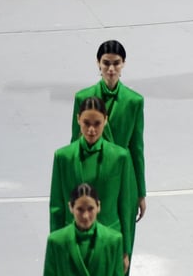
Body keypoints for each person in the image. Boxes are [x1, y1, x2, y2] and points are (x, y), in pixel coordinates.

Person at [51, 97, 138, 267]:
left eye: (97, 123)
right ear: (78, 120)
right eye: (86, 123)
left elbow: (125, 206)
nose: (91, 130)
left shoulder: (120, 157)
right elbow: (57, 207)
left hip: (110, 243)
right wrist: (57, 247)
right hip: (73, 243)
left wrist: (125, 249)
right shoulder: (63, 158)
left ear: (105, 120)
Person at [71, 39, 147, 221]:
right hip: (92, 173)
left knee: (123, 236)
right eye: (106, 63)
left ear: (123, 64)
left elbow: (137, 148)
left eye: (116, 63)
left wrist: (141, 192)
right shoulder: (82, 98)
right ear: (98, 63)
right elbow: (75, 144)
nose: (111, 69)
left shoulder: (134, 101)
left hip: (124, 177)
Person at [44, 183, 126, 276]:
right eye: (80, 209)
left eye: (90, 209)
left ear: (98, 206)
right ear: (71, 207)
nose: (85, 216)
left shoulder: (114, 240)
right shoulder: (56, 242)